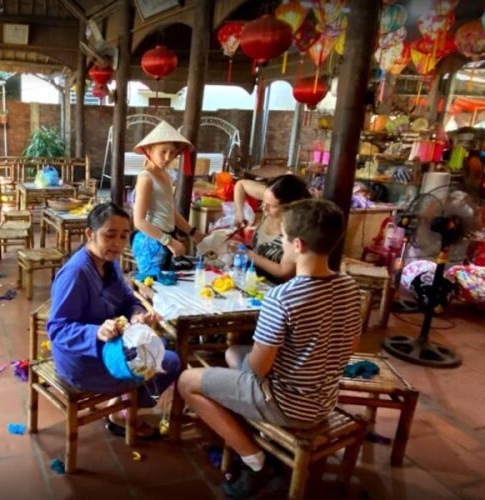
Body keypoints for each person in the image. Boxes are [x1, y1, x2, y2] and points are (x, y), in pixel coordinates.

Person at [178, 199, 362, 499]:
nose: (282, 243)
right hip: (324, 398)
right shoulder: (349, 287)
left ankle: (256, 462)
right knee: (232, 353)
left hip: (289, 404)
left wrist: (260, 357)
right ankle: (252, 428)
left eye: (284, 238)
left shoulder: (283, 298)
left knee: (187, 381)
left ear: (298, 245)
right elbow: (351, 346)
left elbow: (258, 368)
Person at [47, 203, 181, 438]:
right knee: (168, 361)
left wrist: (137, 316)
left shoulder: (110, 263)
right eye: (110, 235)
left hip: (109, 347)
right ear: (90, 234)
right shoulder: (76, 273)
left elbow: (129, 300)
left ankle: (119, 407)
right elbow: (57, 329)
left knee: (160, 346)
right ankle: (124, 412)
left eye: (123, 236)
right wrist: (96, 332)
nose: (117, 243)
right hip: (82, 361)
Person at [131, 120, 204, 277]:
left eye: (172, 153)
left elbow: (170, 212)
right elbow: (139, 221)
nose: (168, 157)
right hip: (151, 242)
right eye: (163, 152)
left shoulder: (165, 174)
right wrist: (169, 242)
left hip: (164, 239)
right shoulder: (146, 178)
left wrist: (194, 233)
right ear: (149, 150)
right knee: (152, 285)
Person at [232, 175, 311, 282]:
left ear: (288, 206)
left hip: (274, 285)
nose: (263, 207)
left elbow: (284, 272)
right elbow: (241, 184)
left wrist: (248, 254)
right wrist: (240, 213)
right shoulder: (272, 197)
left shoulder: (296, 228)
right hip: (252, 276)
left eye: (271, 205)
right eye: (263, 201)